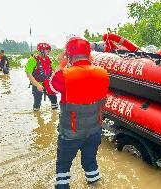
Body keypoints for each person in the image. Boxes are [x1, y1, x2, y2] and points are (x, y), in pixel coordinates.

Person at [43, 37, 109, 189]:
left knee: (63, 167)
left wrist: (61, 64)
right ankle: (95, 184)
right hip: (94, 132)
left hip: (70, 135)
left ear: (69, 55)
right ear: (89, 54)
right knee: (91, 163)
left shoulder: (64, 75)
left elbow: (50, 88)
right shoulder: (103, 73)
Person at [25, 43, 58, 111]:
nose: (49, 52)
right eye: (47, 51)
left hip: (48, 84)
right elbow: (29, 74)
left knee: (54, 100)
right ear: (41, 51)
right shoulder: (32, 60)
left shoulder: (48, 60)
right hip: (38, 84)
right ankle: (37, 115)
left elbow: (55, 70)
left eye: (49, 51)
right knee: (37, 103)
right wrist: (37, 85)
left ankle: (55, 116)